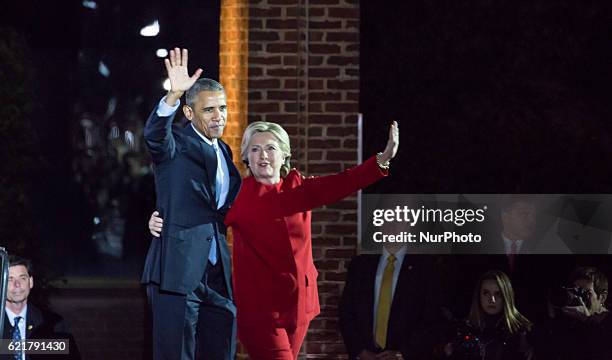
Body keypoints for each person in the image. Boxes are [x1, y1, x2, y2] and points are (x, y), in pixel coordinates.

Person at [150, 120, 399, 359]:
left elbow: (342, 182)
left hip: (299, 305)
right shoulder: (238, 195)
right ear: (246, 157)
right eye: (255, 149)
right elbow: (198, 215)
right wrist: (159, 220)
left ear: (284, 155)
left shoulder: (297, 187)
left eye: (270, 148)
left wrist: (383, 159)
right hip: (260, 312)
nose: (263, 155)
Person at [141, 47, 241, 360]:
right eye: (209, 109)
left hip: (216, 272)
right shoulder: (177, 145)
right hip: (176, 271)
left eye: (222, 108)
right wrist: (173, 95)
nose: (219, 116)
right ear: (189, 113)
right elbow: (155, 137)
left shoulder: (224, 151)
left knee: (219, 348)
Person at [339, 225, 442, 360]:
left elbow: (432, 319)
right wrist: (360, 351)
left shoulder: (426, 268)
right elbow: (346, 312)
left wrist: (402, 354)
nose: (393, 227)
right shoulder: (360, 264)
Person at [439, 270, 533, 360]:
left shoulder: (522, 332)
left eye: (498, 294)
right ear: (479, 296)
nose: (492, 299)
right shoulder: (464, 330)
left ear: (506, 296)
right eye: (486, 293)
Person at [2, 256, 81, 360]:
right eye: (10, 279)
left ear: (30, 282)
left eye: (22, 278)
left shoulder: (53, 324)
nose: (17, 285)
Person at [538, 266, 611, 360]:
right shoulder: (572, 320)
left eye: (585, 293)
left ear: (602, 297)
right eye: (576, 291)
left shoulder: (608, 324)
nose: (578, 298)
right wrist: (553, 316)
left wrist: (587, 320)